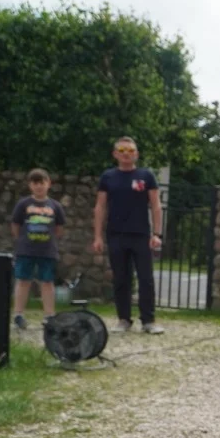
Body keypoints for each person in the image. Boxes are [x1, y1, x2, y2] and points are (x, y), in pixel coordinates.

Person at [91, 136, 165, 334]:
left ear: (137, 154)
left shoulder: (146, 176)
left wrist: (157, 233)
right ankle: (123, 319)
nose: (126, 155)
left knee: (145, 278)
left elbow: (156, 206)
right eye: (122, 151)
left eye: (130, 151)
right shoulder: (108, 177)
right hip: (115, 234)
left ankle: (148, 320)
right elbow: (100, 207)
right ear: (115, 154)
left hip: (141, 234)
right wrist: (97, 236)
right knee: (121, 278)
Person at [10, 169, 66, 330]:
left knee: (47, 282)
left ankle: (49, 315)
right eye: (35, 183)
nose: (39, 186)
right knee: (23, 281)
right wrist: (22, 240)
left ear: (49, 184)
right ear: (30, 185)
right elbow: (15, 225)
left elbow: (59, 228)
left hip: (47, 251)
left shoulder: (55, 206)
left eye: (42, 183)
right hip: (26, 250)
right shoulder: (23, 204)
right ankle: (18, 314)